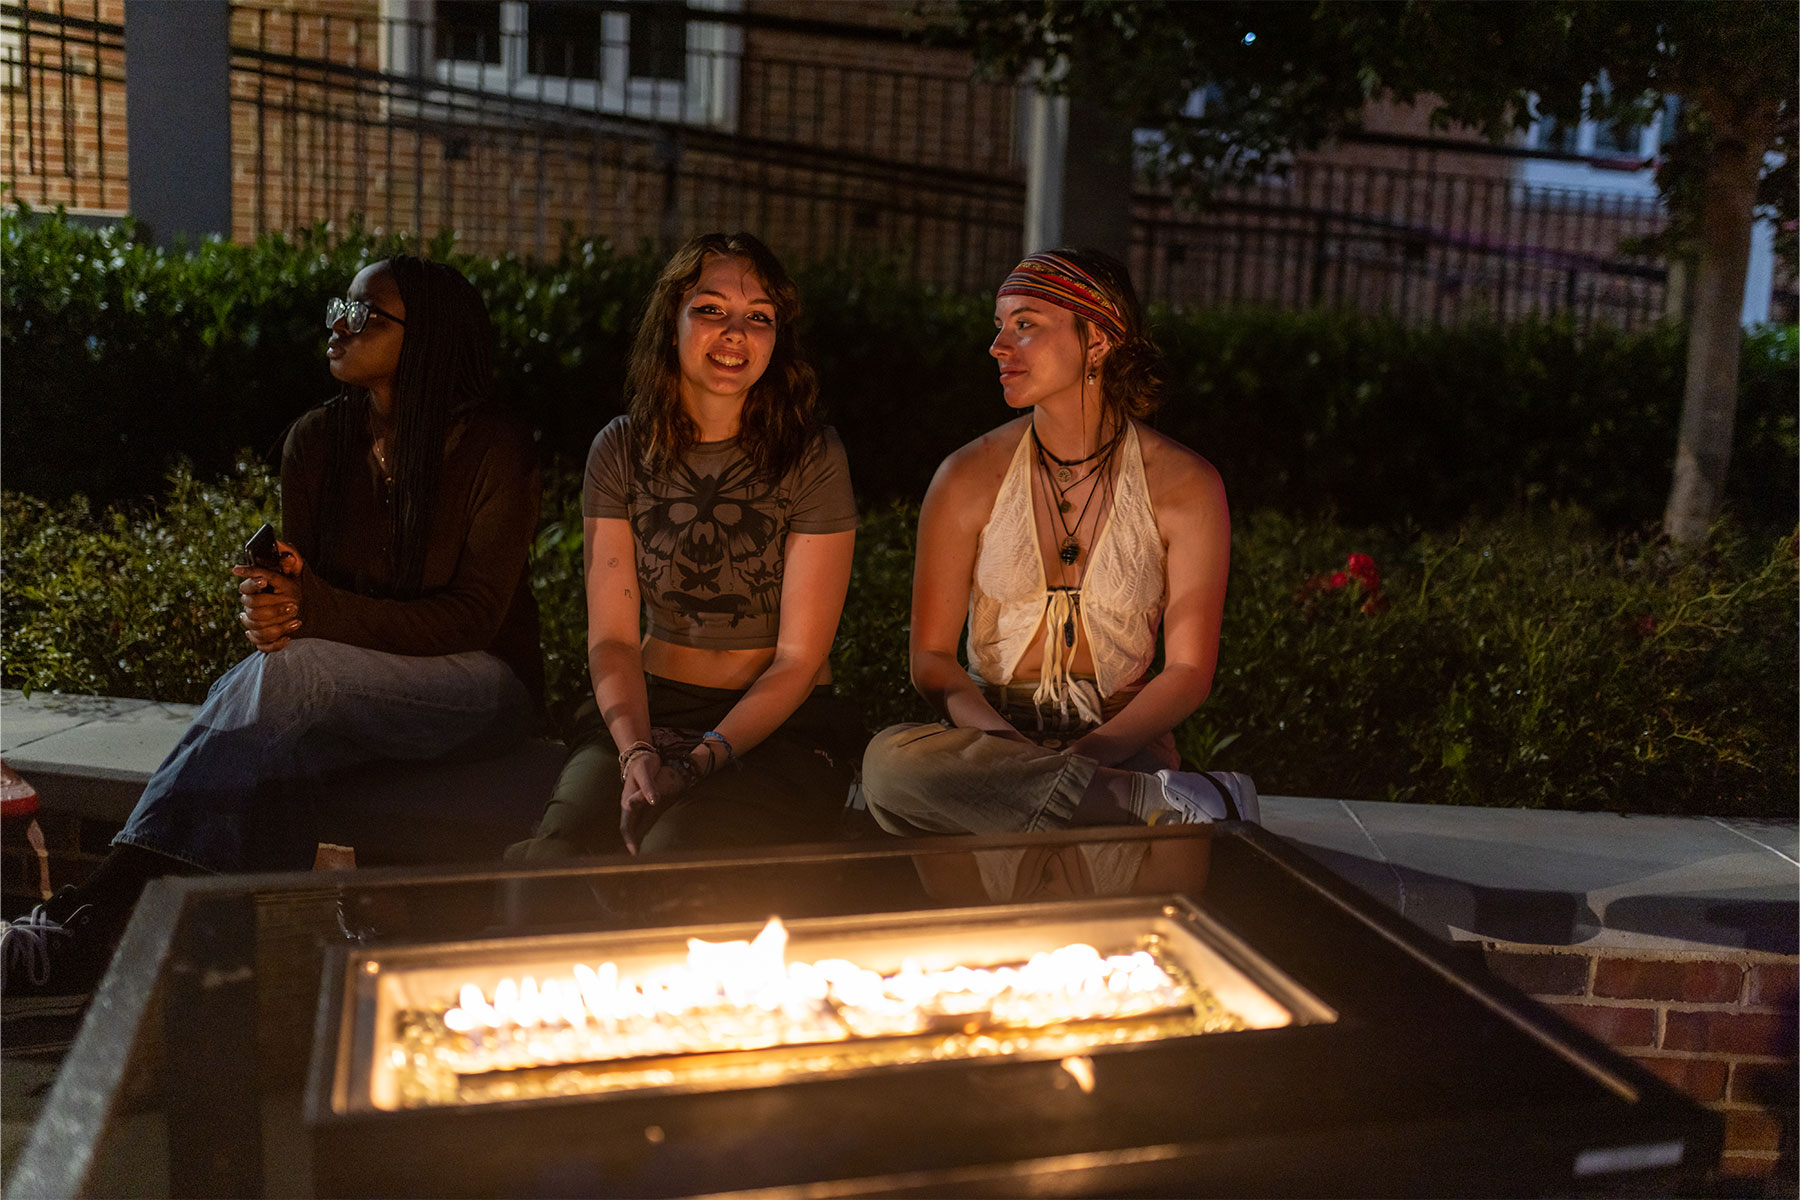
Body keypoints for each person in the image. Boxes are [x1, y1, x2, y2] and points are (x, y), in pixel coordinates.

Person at [2, 256, 542, 1012]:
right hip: (348, 686)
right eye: (339, 307)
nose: (337, 325)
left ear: (427, 341)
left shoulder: (493, 447)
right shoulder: (317, 441)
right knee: (272, 713)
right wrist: (277, 607)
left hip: (481, 688)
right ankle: (233, 973)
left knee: (289, 681)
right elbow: (305, 608)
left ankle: (87, 928)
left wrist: (314, 613)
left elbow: (474, 616)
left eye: (364, 314)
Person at [860, 248, 1258, 837]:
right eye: (999, 327)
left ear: (1096, 340)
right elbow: (933, 660)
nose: (998, 346)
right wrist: (1016, 759)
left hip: (1122, 742)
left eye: (1025, 325)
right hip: (988, 745)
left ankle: (1104, 797)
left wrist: (1082, 760)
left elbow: (1190, 669)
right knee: (888, 765)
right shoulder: (967, 475)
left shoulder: (1186, 486)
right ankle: (1139, 802)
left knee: (1055, 856)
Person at [505, 232, 858, 864]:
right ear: (673, 320)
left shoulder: (811, 455)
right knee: (555, 858)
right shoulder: (619, 449)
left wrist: (693, 764)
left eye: (759, 318)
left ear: (777, 342)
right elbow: (612, 639)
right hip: (650, 704)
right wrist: (638, 750)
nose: (734, 333)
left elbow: (799, 659)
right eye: (711, 309)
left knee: (675, 859)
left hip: (778, 723)